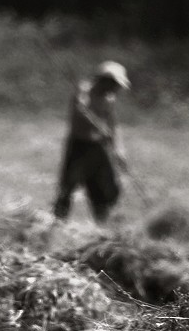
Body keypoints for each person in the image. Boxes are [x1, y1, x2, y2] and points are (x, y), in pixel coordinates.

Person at [53, 60, 131, 223]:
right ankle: (57, 224)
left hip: (98, 148)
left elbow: (113, 125)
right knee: (67, 188)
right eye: (114, 84)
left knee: (106, 190)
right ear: (104, 80)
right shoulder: (84, 91)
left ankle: (102, 226)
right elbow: (81, 111)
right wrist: (97, 126)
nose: (115, 89)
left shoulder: (109, 98)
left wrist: (119, 149)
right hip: (79, 147)